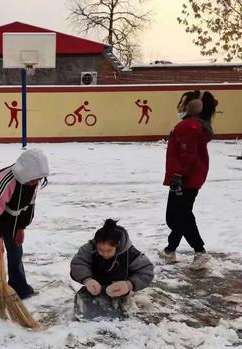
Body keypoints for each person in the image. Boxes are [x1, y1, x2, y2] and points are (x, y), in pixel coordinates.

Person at [0, 149, 49, 313]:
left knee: (16, 253)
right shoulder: (3, 183)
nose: (36, 183)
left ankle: (19, 287)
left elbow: (29, 206)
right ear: (24, 174)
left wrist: (21, 227)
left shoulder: (33, 181)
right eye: (33, 180)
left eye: (38, 179)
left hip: (12, 221)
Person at [160, 90, 217, 270]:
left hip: (184, 178)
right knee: (182, 213)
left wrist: (178, 174)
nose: (181, 107)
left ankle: (200, 251)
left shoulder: (189, 126)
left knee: (175, 217)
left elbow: (188, 154)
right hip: (191, 177)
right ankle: (170, 249)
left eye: (184, 104)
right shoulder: (197, 125)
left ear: (194, 108)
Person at [70, 219, 154, 319]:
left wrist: (129, 285)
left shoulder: (131, 254)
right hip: (94, 288)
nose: (105, 254)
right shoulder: (89, 248)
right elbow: (78, 263)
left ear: (117, 246)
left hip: (120, 290)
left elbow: (146, 272)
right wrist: (87, 280)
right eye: (100, 250)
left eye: (109, 251)